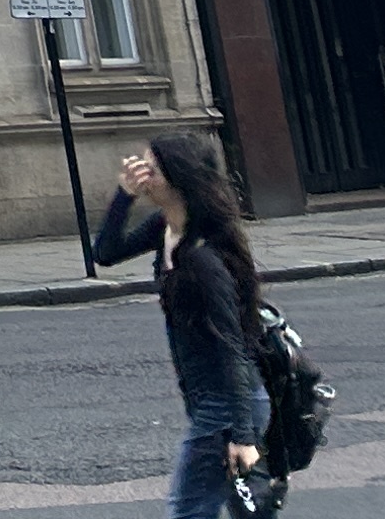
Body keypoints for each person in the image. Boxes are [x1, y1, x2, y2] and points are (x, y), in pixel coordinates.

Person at [90, 132, 266, 519]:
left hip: (226, 406)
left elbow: (233, 345)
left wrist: (243, 434)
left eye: (151, 168)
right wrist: (124, 196)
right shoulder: (166, 229)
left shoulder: (203, 259)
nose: (142, 174)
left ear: (177, 178)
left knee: (189, 510)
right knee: (240, 511)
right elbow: (105, 253)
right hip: (208, 400)